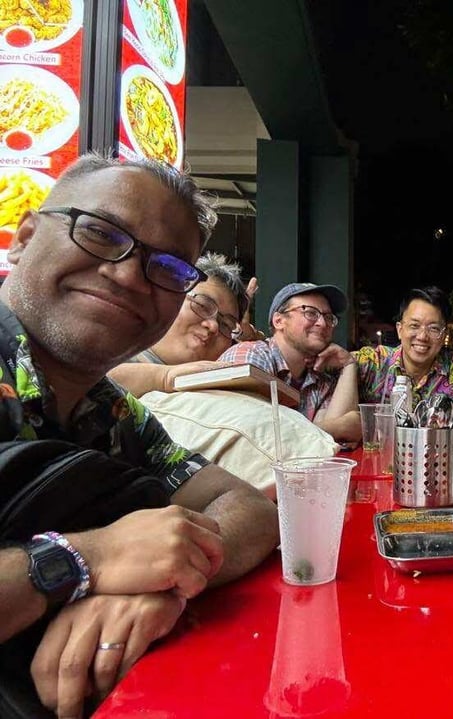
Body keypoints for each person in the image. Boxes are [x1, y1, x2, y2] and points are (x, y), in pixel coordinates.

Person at [0, 153, 279, 716]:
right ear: (25, 237)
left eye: (169, 269)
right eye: (101, 233)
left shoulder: (114, 411)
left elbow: (250, 508)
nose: (128, 274)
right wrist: (80, 562)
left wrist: (164, 579)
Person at [218, 282, 361, 443]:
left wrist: (349, 364)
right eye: (310, 313)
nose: (323, 323)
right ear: (279, 321)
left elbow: (330, 446)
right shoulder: (251, 356)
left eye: (329, 317)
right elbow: (251, 439)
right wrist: (337, 427)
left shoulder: (321, 380)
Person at [107, 252, 248, 396]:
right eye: (203, 306)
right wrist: (165, 378)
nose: (213, 326)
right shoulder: (107, 352)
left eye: (226, 325)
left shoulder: (218, 390)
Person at [354, 287, 453, 411]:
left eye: (433, 328)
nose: (422, 336)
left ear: (444, 334)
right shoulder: (374, 363)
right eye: (414, 326)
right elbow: (340, 364)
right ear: (399, 330)